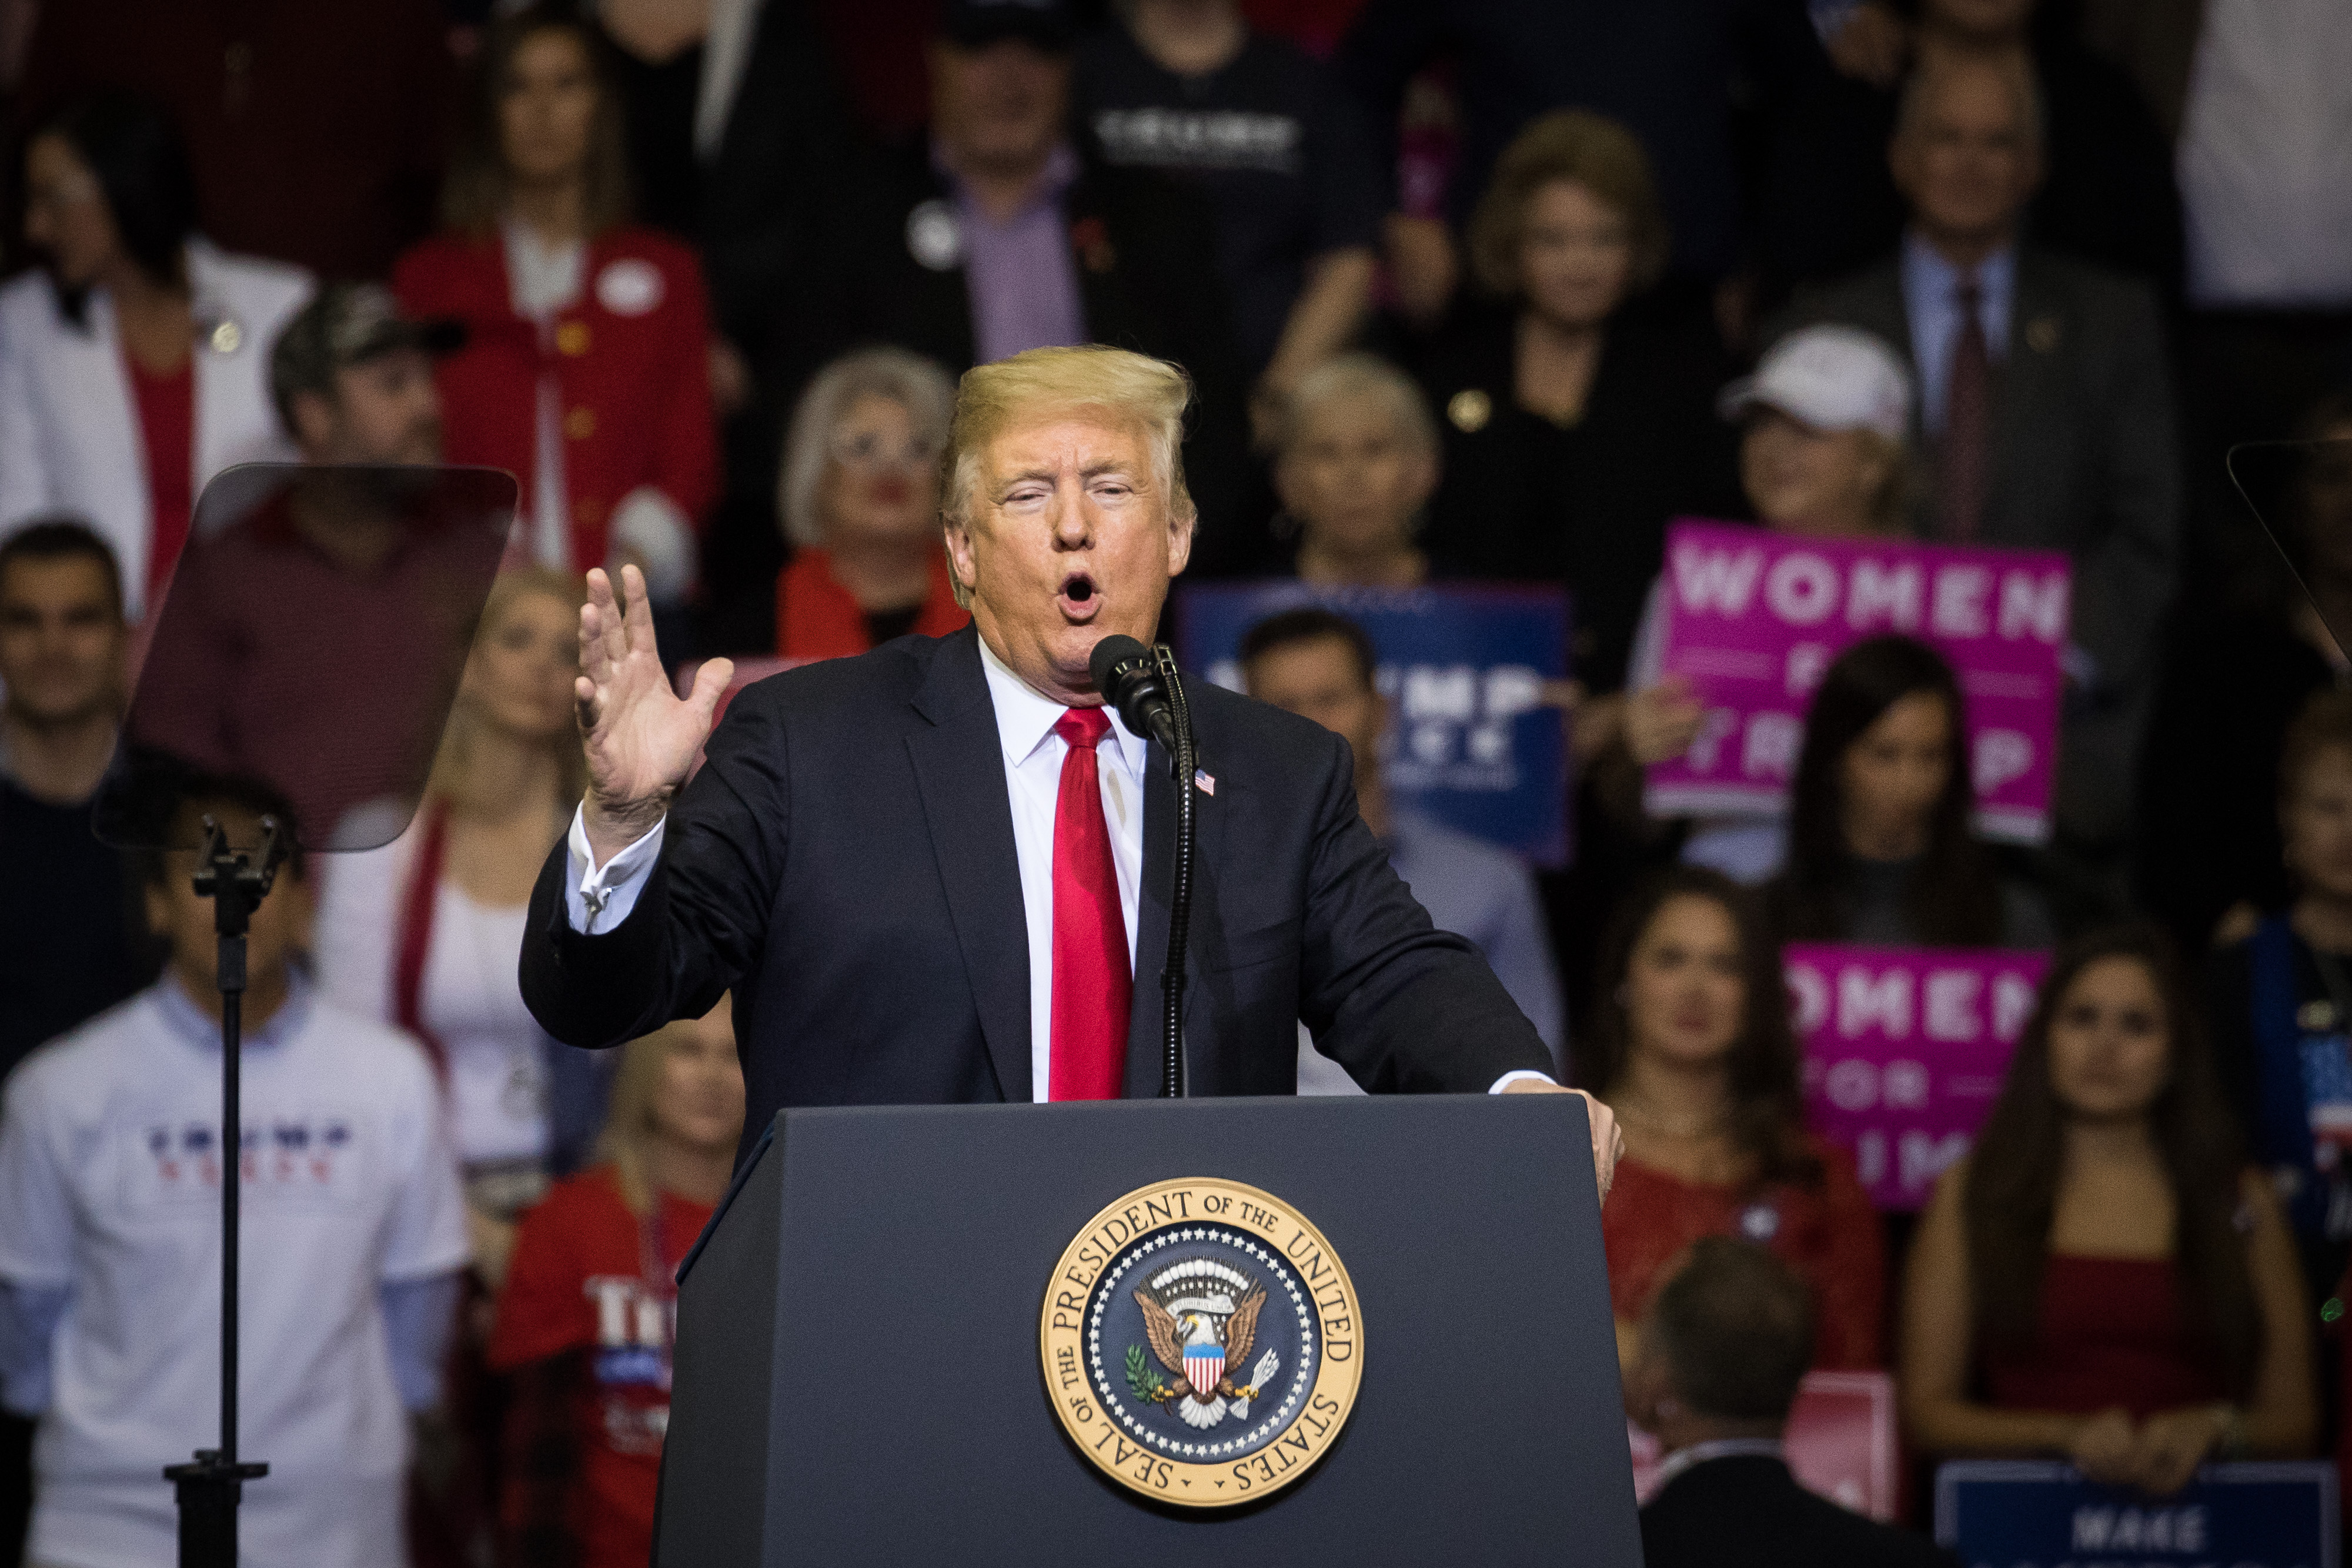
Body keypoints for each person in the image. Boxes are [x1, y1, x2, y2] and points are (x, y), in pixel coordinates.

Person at [520, 345, 1618, 1193]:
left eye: (1112, 488)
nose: (1075, 531)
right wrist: (621, 819)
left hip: (1172, 1359)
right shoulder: (812, 742)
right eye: (1028, 497)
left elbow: (1394, 976)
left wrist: (1521, 1092)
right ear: (960, 550)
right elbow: (604, 998)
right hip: (881, 1338)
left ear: (1180, 532)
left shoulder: (1274, 771)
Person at [0, 776, 470, 1568]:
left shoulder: (391, 1080)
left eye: (260, 868)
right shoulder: (60, 1089)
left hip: (335, 1519)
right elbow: (27, 1314)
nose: (234, 894)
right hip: (109, 1521)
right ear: (155, 903)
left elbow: (419, 1306)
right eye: (203, 870)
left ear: (300, 897)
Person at [1775, 52, 2181, 870]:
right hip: (1856, 746)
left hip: (2058, 749)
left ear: (2034, 165)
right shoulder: (1820, 316)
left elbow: (2150, 530)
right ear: (1902, 157)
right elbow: (1781, 520)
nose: (1968, 162)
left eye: (1996, 143)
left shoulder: (2112, 322)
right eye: (1946, 138)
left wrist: (2045, 663)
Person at [792, 0, 1255, 573]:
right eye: (982, 51)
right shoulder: (859, 209)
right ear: (936, 62)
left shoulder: (1151, 216)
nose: (1010, 79)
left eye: (1037, 53)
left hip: (1120, 557)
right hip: (926, 566)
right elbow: (810, 399)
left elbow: (1208, 411)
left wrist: (1165, 555)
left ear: (1071, 69)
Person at [1901, 925, 2318, 1493]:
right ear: (2044, 1037)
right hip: (2023, 1521)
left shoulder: (2244, 1199)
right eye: (2082, 1018)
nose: (2104, 1047)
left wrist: (2220, 1429)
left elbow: (2298, 1422)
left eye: (2136, 1025)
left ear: (2177, 1054)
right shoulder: (1973, 1191)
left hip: (2211, 1526)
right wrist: (2067, 1436)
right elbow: (1927, 1414)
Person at [316, 569, 611, 1287]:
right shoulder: (384, 847)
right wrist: (457, 1221)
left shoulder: (615, 843)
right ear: (468, 668)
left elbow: (632, 1060)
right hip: (407, 1200)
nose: (546, 666)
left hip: (580, 1199)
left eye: (568, 651)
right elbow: (350, 1055)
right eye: (518, 641)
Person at [395, 5, 719, 611]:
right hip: (468, 605)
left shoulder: (668, 271)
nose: (543, 111)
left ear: (602, 106)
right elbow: (409, 440)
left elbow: (690, 447)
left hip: (634, 602)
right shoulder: (428, 280)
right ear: (488, 111)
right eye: (518, 87)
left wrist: (632, 566)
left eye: (566, 84)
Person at [1418, 109, 1743, 695]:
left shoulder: (1682, 382)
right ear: (1512, 245)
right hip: (1467, 678)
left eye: (1604, 238)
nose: (1581, 264)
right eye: (1553, 239)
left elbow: (1704, 559)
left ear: (1636, 246)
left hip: (1633, 693)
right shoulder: (1453, 371)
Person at [1592, 322, 1915, 882]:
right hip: (1731, 907)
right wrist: (1637, 755)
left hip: (1891, 911)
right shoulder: (1695, 589)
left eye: (1810, 431)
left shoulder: (1954, 603)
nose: (1775, 450)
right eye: (1761, 425)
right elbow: (1639, 817)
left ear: (1876, 461)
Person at [0, 92, 309, 619]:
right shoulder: (20, 326)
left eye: (52, 199)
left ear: (123, 184)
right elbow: (16, 521)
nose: (35, 228)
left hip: (257, 638)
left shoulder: (281, 308)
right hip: (90, 658)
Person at [1238, 607, 1563, 1084]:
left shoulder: (1490, 882)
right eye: (1283, 705)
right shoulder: (1204, 877)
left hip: (1436, 1154)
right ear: (1244, 726)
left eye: (1330, 699)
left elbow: (1531, 1071)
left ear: (1381, 709)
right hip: (1253, 1153)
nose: (1308, 725)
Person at [1579, 867, 1883, 1372]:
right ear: (1623, 979)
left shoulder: (1815, 1174)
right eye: (1670, 959)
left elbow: (1851, 1379)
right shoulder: (1557, 1153)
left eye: (1725, 965)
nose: (1695, 988)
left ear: (1756, 995)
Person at [489, 995, 743, 1568]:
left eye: (733, 1056)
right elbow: (527, 1449)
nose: (711, 1077)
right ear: (647, 1065)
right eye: (687, 1051)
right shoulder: (567, 1223)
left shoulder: (789, 1219)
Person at [1074, 0, 1384, 430]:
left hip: (1273, 398)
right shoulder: (1079, 74)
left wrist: (1277, 397)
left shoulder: (1303, 82)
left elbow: (1348, 259)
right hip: (1098, 398)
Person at [1762, 0, 2182, 298]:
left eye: (1998, 142)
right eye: (1946, 138)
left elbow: (2150, 305)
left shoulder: (2107, 110)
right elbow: (1794, 293)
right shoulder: (1843, 108)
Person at [9, 0, 450, 280]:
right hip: (124, 353)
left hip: (343, 361)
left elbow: (443, 197)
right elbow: (28, 188)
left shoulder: (393, 15)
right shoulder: (94, 16)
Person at [2140, 394, 2351, 954]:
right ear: (2298, 497)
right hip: (2246, 978)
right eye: (2333, 475)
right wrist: (2244, 946)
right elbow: (2172, 835)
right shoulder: (2222, 660)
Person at [1628, 1239, 1959, 1568]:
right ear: (1795, 1383)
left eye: (1641, 1350)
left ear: (1656, 1389)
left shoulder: (1610, 1555)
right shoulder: (1914, 1562)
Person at [1765, 636, 2054, 949]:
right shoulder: (1766, 917)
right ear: (1833, 758)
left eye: (1931, 756)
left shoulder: (2012, 921)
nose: (1909, 781)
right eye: (1884, 754)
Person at [2208, 690, 2352, 1307]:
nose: (2350, 833)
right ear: (2287, 816)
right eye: (2329, 807)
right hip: (2269, 1283)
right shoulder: (2235, 970)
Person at [0, 522, 153, 1077]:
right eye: (24, 621)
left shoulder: (185, 816)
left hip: (151, 1144)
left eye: (80, 619)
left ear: (125, 635)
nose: (53, 648)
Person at [772, 347, 968, 659]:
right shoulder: (758, 616)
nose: (890, 467)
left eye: (917, 449)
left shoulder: (997, 608)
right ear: (818, 473)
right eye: (863, 447)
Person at [1271, 351, 1441, 586]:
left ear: (1423, 470)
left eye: (1375, 449)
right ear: (1287, 479)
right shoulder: (1243, 607)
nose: (1352, 476)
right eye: (1326, 453)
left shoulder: (1481, 604)